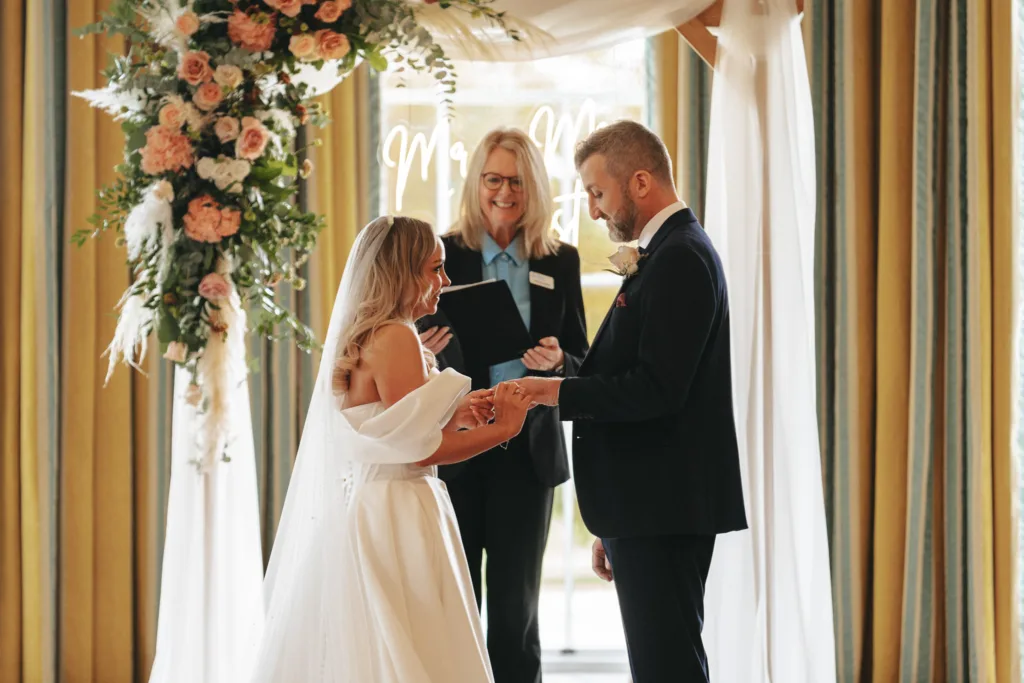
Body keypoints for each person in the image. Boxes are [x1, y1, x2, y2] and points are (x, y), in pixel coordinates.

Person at [250, 215, 536, 683]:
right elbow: (419, 449)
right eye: (435, 269)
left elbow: (389, 425)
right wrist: (505, 428)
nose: (446, 281)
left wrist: (458, 412)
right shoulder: (397, 335)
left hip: (371, 503)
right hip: (398, 508)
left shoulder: (372, 333)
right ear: (402, 273)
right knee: (414, 643)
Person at [516, 120, 748, 683]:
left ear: (641, 182)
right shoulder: (666, 251)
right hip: (645, 507)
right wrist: (612, 525)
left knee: (668, 669)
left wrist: (554, 391)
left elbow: (656, 389)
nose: (593, 210)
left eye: (598, 192)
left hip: (662, 508)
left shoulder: (681, 257)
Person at [417, 127, 587, 683]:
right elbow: (403, 346)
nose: (505, 192)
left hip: (527, 452)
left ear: (533, 188)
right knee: (457, 603)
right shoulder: (443, 254)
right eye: (493, 179)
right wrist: (423, 349)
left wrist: (558, 360)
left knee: (517, 613)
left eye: (517, 181)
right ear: (476, 183)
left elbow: (583, 357)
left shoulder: (560, 260)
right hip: (458, 446)